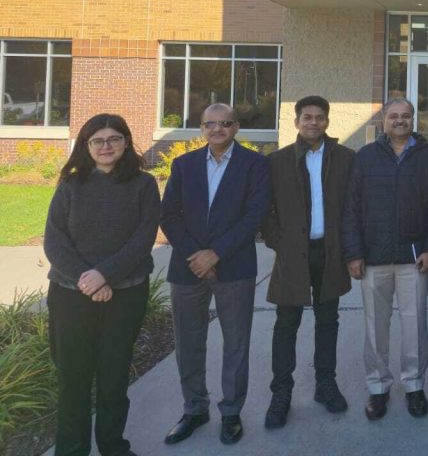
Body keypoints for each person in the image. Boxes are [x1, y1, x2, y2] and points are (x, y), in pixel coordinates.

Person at [44, 113, 160, 456]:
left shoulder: (143, 185)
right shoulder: (70, 185)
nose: (106, 146)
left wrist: (105, 275)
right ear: (86, 146)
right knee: (73, 379)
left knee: (113, 378)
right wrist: (89, 280)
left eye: (114, 139)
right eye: (98, 140)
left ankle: (113, 447)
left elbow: (143, 239)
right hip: (70, 296)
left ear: (126, 143)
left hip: (125, 296)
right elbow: (54, 241)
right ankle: (71, 449)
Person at [160, 103, 269, 446]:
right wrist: (196, 254)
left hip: (234, 266)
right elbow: (169, 215)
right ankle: (194, 408)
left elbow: (255, 215)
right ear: (201, 129)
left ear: (237, 127)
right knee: (188, 343)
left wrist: (216, 252)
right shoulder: (183, 165)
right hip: (188, 267)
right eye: (211, 124)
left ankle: (232, 411)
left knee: (236, 343)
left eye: (225, 123)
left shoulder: (255, 165)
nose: (217, 129)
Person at [342, 97, 428, 420]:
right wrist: (354, 252)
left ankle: (414, 385)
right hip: (373, 258)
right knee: (376, 327)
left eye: (406, 116)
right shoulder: (366, 156)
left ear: (413, 120)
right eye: (394, 116)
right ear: (383, 120)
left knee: (415, 325)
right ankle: (378, 388)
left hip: (413, 258)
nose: (400, 121)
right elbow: (351, 208)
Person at [262, 95, 354, 429]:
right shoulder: (277, 161)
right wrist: (280, 243)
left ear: (327, 121)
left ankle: (325, 384)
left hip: (329, 253)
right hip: (293, 255)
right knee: (286, 324)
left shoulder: (345, 159)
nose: (313, 123)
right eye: (307, 117)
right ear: (297, 121)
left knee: (328, 321)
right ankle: (281, 392)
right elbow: (265, 210)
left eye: (319, 117)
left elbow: (352, 207)